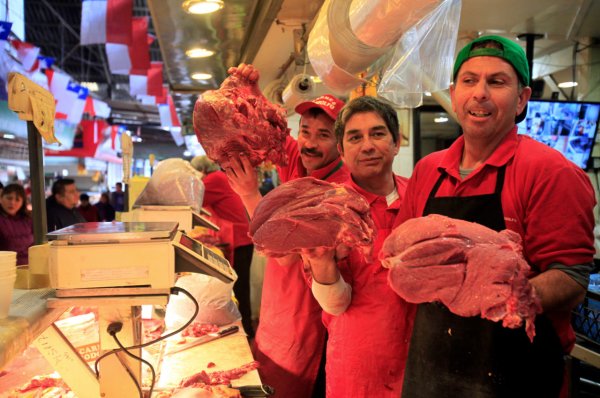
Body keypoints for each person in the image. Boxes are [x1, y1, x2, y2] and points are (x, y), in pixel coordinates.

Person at [396, 35, 595, 398]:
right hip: (430, 371)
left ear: (521, 100)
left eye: (497, 81)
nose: (480, 93)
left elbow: (572, 277)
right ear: (455, 94)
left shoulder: (551, 172)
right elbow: (401, 259)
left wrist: (509, 294)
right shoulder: (428, 171)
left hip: (517, 377)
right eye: (469, 80)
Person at [226, 63, 348, 398]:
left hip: (305, 325)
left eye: (323, 135)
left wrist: (250, 194)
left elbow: (285, 255)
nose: (309, 143)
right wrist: (251, 88)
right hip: (274, 315)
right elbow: (270, 130)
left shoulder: (338, 193)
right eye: (306, 131)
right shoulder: (300, 161)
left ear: (340, 142)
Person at [301, 96, 416, 397]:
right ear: (342, 150)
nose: (367, 145)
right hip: (359, 367)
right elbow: (334, 304)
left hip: (421, 361)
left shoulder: (420, 194)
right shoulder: (327, 208)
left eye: (377, 134)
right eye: (355, 137)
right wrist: (323, 263)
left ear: (396, 142)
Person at [191, 155, 255, 338]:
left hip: (239, 240)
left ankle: (244, 331)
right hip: (240, 238)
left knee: (238, 288)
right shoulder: (218, 178)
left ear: (201, 171)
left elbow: (192, 201)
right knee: (240, 287)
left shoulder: (214, 180)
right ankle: (243, 327)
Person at [0, 184, 33, 265]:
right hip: (5, 268)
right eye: (9, 198)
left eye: (17, 199)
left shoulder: (28, 219)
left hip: (29, 266)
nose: (12, 202)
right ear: (1, 198)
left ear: (23, 202)